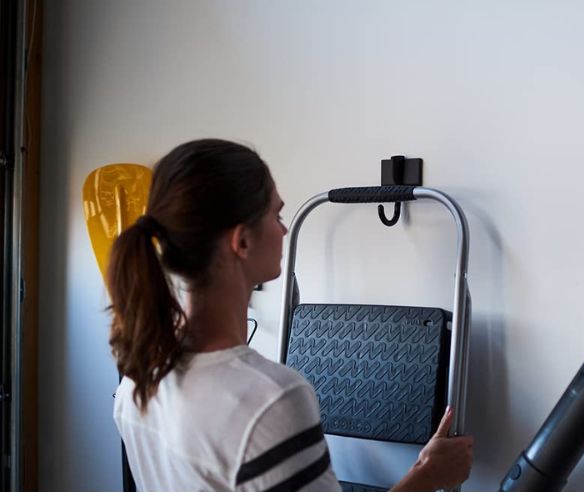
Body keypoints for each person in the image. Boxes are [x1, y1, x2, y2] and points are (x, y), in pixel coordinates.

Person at [108, 138, 473, 491]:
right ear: (242, 242)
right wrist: (427, 476)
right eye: (276, 214)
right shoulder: (270, 401)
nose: (284, 229)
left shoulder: (139, 379)